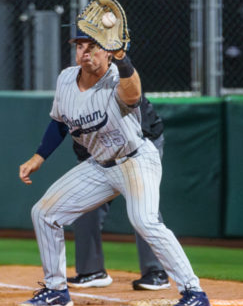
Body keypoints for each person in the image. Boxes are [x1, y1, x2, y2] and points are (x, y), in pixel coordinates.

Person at [17, 0, 211, 306]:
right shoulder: (66, 78)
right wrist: (39, 157)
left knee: (145, 221)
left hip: (135, 160)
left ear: (107, 49)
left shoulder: (116, 78)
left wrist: (122, 57)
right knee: (44, 213)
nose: (85, 51)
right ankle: (55, 291)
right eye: (80, 45)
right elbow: (58, 122)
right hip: (99, 166)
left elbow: (133, 94)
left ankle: (194, 292)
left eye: (93, 45)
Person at [67, 96, 171, 292]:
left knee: (142, 205)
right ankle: (91, 271)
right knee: (84, 202)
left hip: (142, 142)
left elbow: (136, 133)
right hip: (101, 150)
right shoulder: (72, 96)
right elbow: (80, 143)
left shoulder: (116, 82)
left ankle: (156, 272)